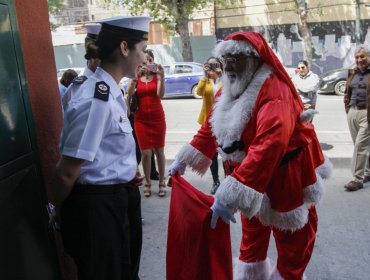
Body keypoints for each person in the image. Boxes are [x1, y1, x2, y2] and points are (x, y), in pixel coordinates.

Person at [169, 31, 332, 279]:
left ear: (254, 59)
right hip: (250, 176)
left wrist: (231, 194)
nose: (230, 64)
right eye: (226, 58)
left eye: (236, 57)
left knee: (293, 243)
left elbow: (270, 144)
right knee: (252, 238)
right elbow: (213, 127)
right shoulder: (231, 86)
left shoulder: (275, 90)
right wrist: (183, 160)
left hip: (285, 177)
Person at [50, 16, 151, 280]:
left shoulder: (111, 92)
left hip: (118, 199)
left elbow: (105, 151)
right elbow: (66, 172)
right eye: (142, 50)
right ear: (124, 48)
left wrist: (126, 171)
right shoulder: (97, 99)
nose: (145, 59)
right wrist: (60, 214)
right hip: (98, 209)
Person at [127, 49, 166, 197]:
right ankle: (148, 182)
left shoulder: (157, 77)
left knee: (159, 151)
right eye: (145, 61)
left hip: (157, 118)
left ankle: (162, 182)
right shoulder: (136, 76)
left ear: (154, 62)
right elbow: (130, 93)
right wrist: (136, 77)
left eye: (150, 61)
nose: (147, 64)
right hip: (141, 119)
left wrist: (162, 77)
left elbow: (160, 95)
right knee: (145, 153)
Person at [343, 44, 370, 191]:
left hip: (367, 113)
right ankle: (368, 172)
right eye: (357, 57)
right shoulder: (352, 72)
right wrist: (348, 108)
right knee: (360, 145)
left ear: (369, 57)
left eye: (363, 56)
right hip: (353, 112)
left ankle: (357, 179)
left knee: (360, 146)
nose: (360, 60)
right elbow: (347, 91)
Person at [196, 56, 223, 194]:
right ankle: (216, 181)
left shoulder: (224, 80)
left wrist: (221, 75)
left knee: (225, 153)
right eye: (210, 65)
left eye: (215, 65)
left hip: (224, 123)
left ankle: (230, 179)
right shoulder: (206, 80)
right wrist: (204, 76)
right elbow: (198, 92)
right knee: (212, 154)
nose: (212, 68)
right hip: (209, 122)